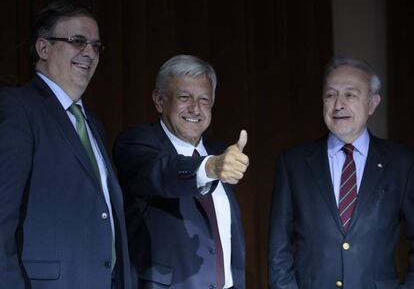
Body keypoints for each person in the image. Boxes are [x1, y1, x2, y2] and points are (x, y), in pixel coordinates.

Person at [0, 1, 132, 289]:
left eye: (96, 46)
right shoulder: (18, 107)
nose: (89, 53)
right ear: (43, 49)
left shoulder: (93, 122)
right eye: (77, 41)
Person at [268, 56, 414, 289]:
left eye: (350, 95)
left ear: (373, 103)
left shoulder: (401, 163)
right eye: (330, 95)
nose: (338, 105)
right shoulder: (293, 163)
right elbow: (279, 247)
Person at [113, 54, 249, 289]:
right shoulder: (136, 144)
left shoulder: (219, 150)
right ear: (159, 100)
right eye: (184, 97)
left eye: (204, 100)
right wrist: (210, 167)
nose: (195, 108)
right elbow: (162, 173)